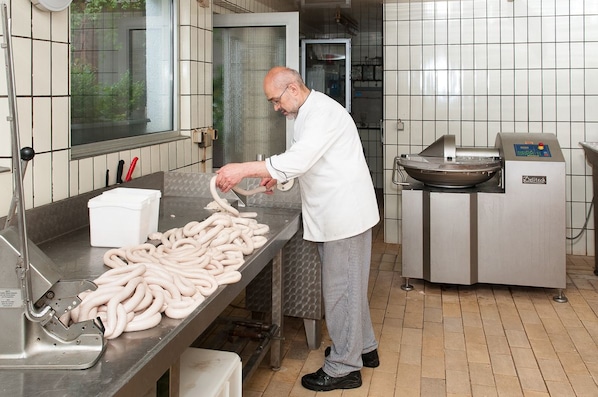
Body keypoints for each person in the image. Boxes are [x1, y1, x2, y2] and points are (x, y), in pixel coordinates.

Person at [215, 66, 380, 392]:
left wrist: (241, 170)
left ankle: (345, 367)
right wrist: (277, 175)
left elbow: (300, 159)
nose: (276, 108)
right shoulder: (307, 114)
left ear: (292, 88)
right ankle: (364, 348)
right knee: (350, 288)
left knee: (341, 293)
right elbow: (306, 159)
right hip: (340, 215)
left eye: (276, 100)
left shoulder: (319, 113)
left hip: (344, 218)